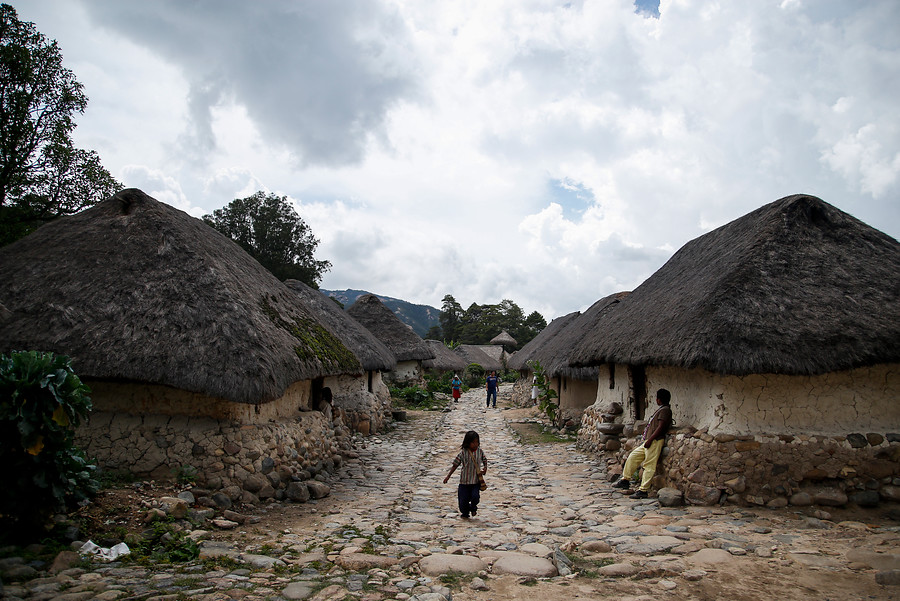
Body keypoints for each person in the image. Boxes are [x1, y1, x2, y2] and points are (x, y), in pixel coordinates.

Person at [613, 388, 673, 499]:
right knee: (633, 457)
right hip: (649, 440)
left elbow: (661, 427)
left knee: (649, 465)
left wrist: (650, 440)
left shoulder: (665, 411)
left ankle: (643, 490)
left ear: (659, 399)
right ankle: (625, 479)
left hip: (655, 441)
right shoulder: (662, 409)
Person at [443, 430, 488, 518]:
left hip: (475, 481)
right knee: (463, 500)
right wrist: (448, 476)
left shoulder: (479, 451)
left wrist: (485, 468)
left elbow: (484, 460)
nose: (475, 444)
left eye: (477, 442)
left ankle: (473, 507)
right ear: (467, 443)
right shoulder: (463, 453)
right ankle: (465, 512)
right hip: (464, 481)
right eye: (473, 442)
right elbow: (455, 464)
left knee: (475, 497)